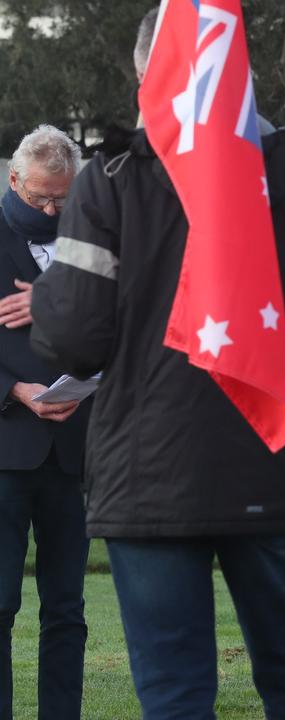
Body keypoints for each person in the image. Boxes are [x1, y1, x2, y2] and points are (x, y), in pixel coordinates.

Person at [26, 8, 285, 719]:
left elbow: (72, 335)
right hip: (276, 462)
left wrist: (45, 305)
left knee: (175, 695)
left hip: (151, 477)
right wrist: (275, 375)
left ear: (150, 74)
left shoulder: (112, 181)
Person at [0, 125, 88, 720]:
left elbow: (126, 318)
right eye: (40, 198)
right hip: (5, 452)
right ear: (13, 179)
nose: (52, 209)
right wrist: (17, 389)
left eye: (61, 198)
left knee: (67, 609)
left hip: (77, 454)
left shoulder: (91, 243)